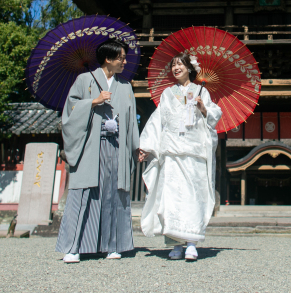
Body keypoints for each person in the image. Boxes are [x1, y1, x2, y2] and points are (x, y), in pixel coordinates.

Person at [55, 38, 140, 263]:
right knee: (84, 193)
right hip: (90, 145)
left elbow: (132, 121)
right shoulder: (84, 80)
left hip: (116, 146)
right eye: (121, 57)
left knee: (114, 193)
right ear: (108, 59)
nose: (124, 61)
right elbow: (70, 109)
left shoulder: (125, 86)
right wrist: (92, 102)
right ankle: (73, 247)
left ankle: (112, 245)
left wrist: (136, 146)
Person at [138, 52, 222, 261]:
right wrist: (147, 145)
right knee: (172, 196)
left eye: (180, 65)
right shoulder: (167, 93)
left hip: (193, 150)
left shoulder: (202, 91)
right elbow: (158, 120)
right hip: (172, 150)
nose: (176, 68)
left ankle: (191, 242)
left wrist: (204, 109)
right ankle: (174, 242)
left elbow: (214, 115)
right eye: (173, 65)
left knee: (193, 195)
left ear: (189, 68)